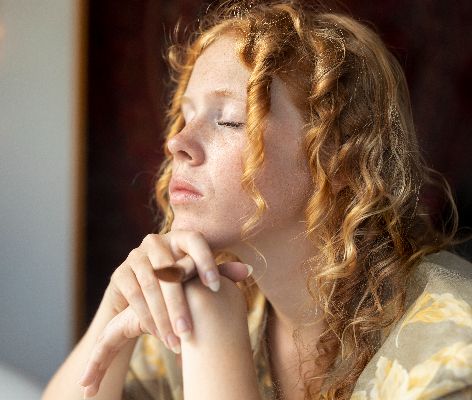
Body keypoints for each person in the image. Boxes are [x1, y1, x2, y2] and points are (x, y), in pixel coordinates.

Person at [43, 1, 472, 399]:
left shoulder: (452, 348)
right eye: (185, 116)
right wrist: (114, 310)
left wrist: (215, 351)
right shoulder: (214, 295)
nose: (177, 143)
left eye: (230, 120)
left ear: (340, 158)